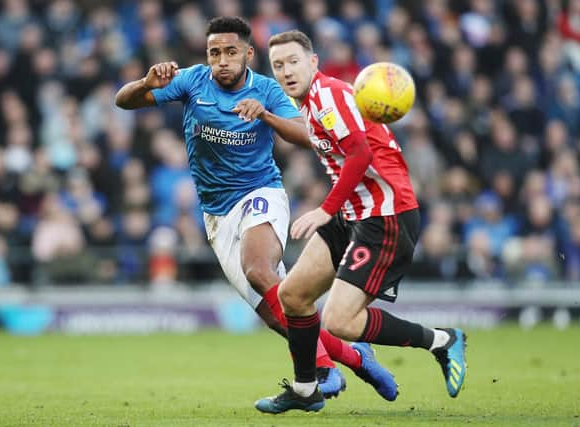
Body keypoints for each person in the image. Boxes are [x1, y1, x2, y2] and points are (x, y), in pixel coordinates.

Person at [115, 16, 396, 399]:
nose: (222, 60)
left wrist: (264, 114)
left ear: (248, 54)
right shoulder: (191, 80)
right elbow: (124, 101)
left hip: (260, 194)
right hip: (216, 214)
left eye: (231, 52)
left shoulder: (266, 89)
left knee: (258, 270)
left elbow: (306, 133)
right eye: (215, 52)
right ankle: (357, 359)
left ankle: (321, 373)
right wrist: (146, 84)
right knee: (277, 314)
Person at [255, 30, 467, 414]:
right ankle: (305, 390)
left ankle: (442, 340)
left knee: (340, 321)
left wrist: (324, 208)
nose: (286, 71)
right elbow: (322, 140)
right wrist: (269, 117)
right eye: (278, 65)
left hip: (384, 215)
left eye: (293, 61)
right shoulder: (306, 102)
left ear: (313, 62)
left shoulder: (329, 95)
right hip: (353, 212)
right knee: (293, 296)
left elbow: (359, 154)